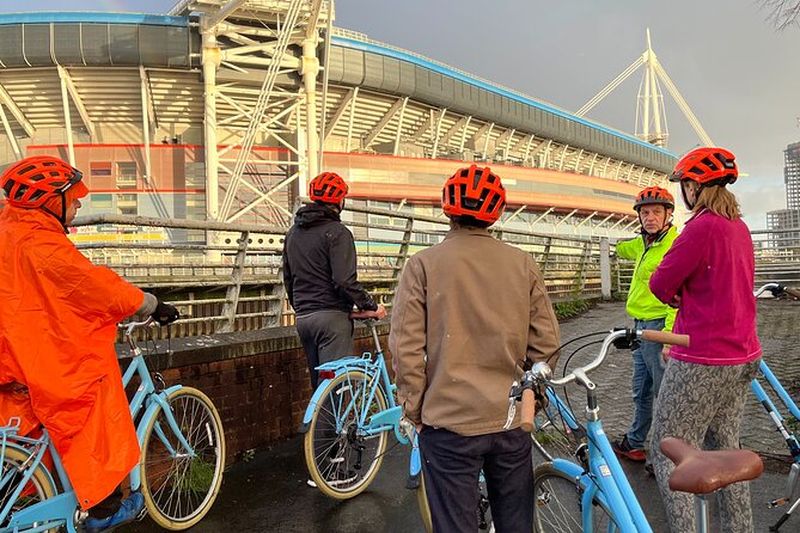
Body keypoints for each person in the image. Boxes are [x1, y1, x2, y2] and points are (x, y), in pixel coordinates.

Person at [0, 155, 180, 532]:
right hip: (40, 360)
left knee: (27, 429)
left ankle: (35, 489)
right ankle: (100, 508)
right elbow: (97, 289)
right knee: (92, 402)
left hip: (9, 361)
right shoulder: (44, 246)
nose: (79, 203)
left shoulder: (8, 232)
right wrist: (150, 303)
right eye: (72, 197)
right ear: (50, 201)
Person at [390, 164, 561, 533]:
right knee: (516, 521)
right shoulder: (523, 264)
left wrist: (415, 408)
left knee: (455, 524)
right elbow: (546, 344)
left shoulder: (422, 265)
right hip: (511, 417)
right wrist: (533, 397)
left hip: (448, 421)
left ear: (447, 210)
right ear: (495, 214)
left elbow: (405, 349)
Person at [649, 147, 761, 533]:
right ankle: (739, 529)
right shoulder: (739, 227)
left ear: (694, 187)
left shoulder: (701, 227)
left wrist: (680, 293)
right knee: (727, 449)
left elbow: (661, 283)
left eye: (685, 185)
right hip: (744, 354)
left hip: (704, 358)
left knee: (668, 448)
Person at [282, 171, 386, 390]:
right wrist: (371, 306)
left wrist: (303, 307)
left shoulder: (293, 233)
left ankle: (314, 424)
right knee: (333, 393)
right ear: (340, 202)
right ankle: (325, 426)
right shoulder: (338, 233)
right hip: (331, 322)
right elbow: (344, 280)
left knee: (319, 389)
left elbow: (289, 278)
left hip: (304, 319)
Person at [611, 186, 678, 471]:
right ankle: (636, 442)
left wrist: (669, 340)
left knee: (665, 394)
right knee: (641, 390)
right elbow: (625, 248)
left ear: (668, 215)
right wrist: (614, 248)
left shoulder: (675, 245)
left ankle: (667, 457)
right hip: (639, 327)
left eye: (656, 212)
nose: (650, 217)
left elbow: (679, 297)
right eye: (645, 212)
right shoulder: (643, 243)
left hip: (658, 327)